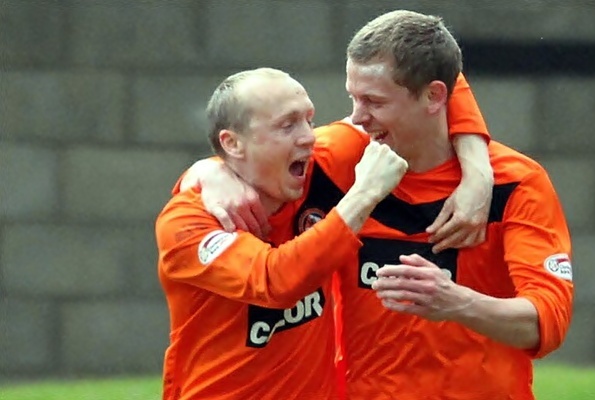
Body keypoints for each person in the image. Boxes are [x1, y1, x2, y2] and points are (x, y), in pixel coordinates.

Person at [192, 10, 575, 400]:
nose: (357, 117)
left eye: (373, 101)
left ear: (434, 97)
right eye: (353, 98)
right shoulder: (341, 159)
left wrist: (456, 302)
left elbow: (548, 322)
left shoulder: (514, 183)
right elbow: (254, 157)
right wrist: (211, 170)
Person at [154, 68, 411, 399]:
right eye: (287, 125)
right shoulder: (189, 221)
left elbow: (423, 77)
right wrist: (363, 195)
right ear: (232, 143)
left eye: (309, 120)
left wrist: (475, 163)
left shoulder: (322, 163)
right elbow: (275, 281)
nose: (308, 137)